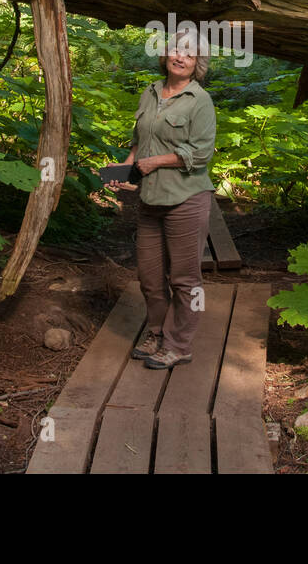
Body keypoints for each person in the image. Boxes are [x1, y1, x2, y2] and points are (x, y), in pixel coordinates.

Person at [106, 27, 217, 369]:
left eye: (189, 53)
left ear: (197, 62)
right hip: (150, 200)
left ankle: (179, 344)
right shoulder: (150, 92)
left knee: (184, 279)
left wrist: (155, 162)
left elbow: (201, 153)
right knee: (150, 276)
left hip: (186, 198)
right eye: (175, 49)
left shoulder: (200, 101)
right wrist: (125, 170)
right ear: (165, 54)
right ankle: (157, 332)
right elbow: (140, 141)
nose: (180, 56)